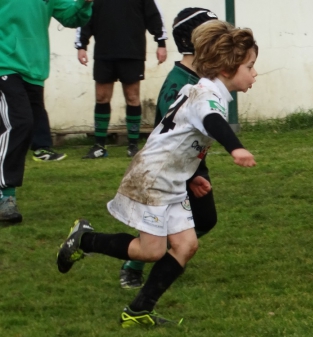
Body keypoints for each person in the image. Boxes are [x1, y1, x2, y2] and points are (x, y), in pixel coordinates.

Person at [56, 20, 258, 327]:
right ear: (229, 69)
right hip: (151, 181)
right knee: (150, 251)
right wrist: (236, 148)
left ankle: (138, 310)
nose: (255, 73)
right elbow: (212, 122)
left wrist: (191, 175)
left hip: (172, 179)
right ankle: (85, 240)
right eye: (250, 66)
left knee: (187, 245)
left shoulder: (203, 91)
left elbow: (175, 139)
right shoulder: (206, 98)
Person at [119, 7, 219, 290]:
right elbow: (173, 141)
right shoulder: (178, 84)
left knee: (205, 219)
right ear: (194, 40)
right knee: (160, 225)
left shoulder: (203, 80)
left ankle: (171, 254)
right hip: (168, 169)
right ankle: (133, 264)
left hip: (191, 163)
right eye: (214, 36)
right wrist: (190, 176)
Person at [0, 0, 92, 223]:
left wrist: (85, 2)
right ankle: (5, 196)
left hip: (34, 68)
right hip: (4, 63)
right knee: (18, 123)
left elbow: (71, 17)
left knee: (26, 127)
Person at [75, 0, 167, 159]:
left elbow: (154, 16)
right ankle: (99, 146)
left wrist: (161, 42)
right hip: (104, 52)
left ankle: (133, 145)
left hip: (132, 51)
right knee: (102, 96)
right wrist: (81, 45)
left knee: (132, 97)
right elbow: (85, 15)